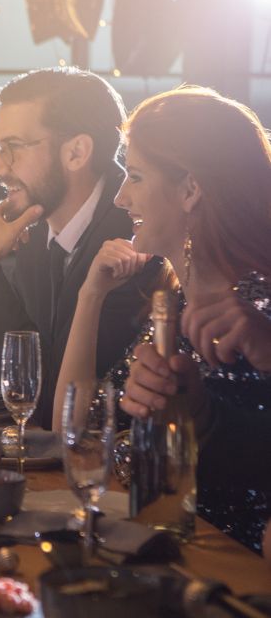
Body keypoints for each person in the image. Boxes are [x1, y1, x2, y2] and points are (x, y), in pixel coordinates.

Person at [57, 85, 271, 553]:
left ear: (191, 188)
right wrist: (88, 295)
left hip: (238, 572)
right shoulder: (169, 303)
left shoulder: (258, 310)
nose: (119, 197)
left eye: (134, 176)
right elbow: (75, 433)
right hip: (166, 548)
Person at [0, 68, 157, 430]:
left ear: (76, 152)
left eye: (13, 148)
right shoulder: (38, 231)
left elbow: (45, 404)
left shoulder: (135, 235)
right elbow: (10, 384)